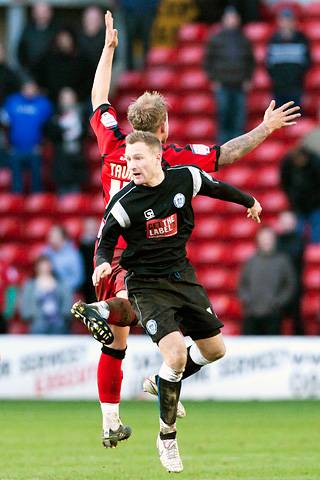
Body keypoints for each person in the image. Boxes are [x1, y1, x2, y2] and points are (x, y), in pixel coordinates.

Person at [71, 10, 301, 450]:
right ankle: (118, 323)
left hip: (107, 248)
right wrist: (265, 128)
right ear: (163, 128)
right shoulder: (169, 157)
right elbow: (224, 155)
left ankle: (109, 422)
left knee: (115, 346)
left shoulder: (112, 139)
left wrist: (109, 49)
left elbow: (98, 97)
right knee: (133, 304)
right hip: (136, 251)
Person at [91, 130, 262, 472]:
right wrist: (103, 264)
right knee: (176, 355)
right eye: (128, 157)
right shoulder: (124, 202)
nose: (130, 163)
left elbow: (217, 188)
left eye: (138, 157)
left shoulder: (185, 178)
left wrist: (249, 201)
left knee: (215, 350)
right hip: (146, 285)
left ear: (157, 157)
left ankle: (160, 382)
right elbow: (106, 239)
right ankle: (167, 438)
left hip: (182, 277)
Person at [203, 6, 255, 143]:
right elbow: (208, 61)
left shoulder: (244, 39)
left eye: (234, 18)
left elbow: (250, 61)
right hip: (223, 84)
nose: (232, 20)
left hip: (240, 84)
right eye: (229, 17)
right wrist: (213, 79)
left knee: (239, 116)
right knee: (223, 114)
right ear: (223, 20)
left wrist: (248, 79)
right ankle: (223, 145)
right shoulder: (216, 39)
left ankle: (239, 144)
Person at [238, 226, 296, 335]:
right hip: (251, 315)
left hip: (274, 316)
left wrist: (278, 302)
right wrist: (247, 300)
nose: (266, 241)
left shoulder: (282, 261)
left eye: (269, 238)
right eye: (263, 238)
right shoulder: (250, 261)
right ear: (258, 241)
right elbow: (242, 285)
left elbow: (290, 285)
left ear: (274, 240)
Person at [2, 79, 53, 193]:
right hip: (15, 149)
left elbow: (49, 127)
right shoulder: (12, 101)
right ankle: (15, 206)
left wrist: (42, 146)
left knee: (37, 183)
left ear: (36, 90)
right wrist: (8, 145)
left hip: (35, 149)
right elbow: (5, 125)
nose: (30, 91)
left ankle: (37, 206)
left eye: (32, 89)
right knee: (16, 185)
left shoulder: (43, 104)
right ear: (22, 89)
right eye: (27, 88)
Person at [45, 87, 87, 194]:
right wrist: (62, 129)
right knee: (63, 198)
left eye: (70, 98)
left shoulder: (82, 113)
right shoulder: (54, 116)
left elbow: (85, 133)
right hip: (61, 161)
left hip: (77, 161)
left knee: (76, 197)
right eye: (65, 98)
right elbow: (50, 135)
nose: (68, 101)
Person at [266, 7, 310, 107]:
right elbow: (269, 64)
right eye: (283, 20)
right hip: (278, 90)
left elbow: (307, 63)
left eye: (289, 20)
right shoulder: (273, 40)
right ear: (279, 22)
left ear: (294, 22)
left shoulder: (302, 39)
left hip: (296, 89)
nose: (286, 23)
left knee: (296, 120)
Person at [34, 28, 91, 103]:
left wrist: (77, 95)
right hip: (51, 100)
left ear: (72, 40)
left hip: (78, 100)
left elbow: (89, 81)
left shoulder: (82, 59)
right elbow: (38, 76)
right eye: (61, 39)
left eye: (67, 39)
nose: (64, 42)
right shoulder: (48, 58)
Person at [19, 255, 72, 334]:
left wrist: (65, 316)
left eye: (47, 266)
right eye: (42, 266)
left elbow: (67, 302)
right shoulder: (30, 285)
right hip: (38, 322)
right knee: (38, 328)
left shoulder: (61, 284)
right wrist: (31, 316)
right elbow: (25, 304)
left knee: (59, 327)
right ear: (36, 268)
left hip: (58, 321)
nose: (44, 269)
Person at [280, 146, 320, 243]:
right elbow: (285, 184)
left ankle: (315, 253)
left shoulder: (316, 163)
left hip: (316, 204)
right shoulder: (287, 164)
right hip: (298, 205)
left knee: (316, 232)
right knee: (298, 232)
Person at [276, 210, 305, 335]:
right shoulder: (276, 240)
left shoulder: (300, 241)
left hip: (295, 283)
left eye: (289, 221)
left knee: (295, 316)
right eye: (284, 221)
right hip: (278, 283)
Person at [17, 2, 58, 78]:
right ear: (34, 13)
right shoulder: (27, 31)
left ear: (50, 13)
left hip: (51, 75)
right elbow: (21, 53)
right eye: (39, 12)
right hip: (30, 73)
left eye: (44, 12)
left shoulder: (57, 31)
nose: (41, 15)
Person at [119, 0, 161, 70]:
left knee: (147, 41)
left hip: (148, 9)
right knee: (129, 42)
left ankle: (148, 69)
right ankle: (129, 70)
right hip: (129, 10)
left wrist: (154, 5)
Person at [43, 225, 84, 294]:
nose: (51, 239)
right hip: (47, 290)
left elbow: (78, 278)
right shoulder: (46, 251)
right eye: (50, 236)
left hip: (67, 292)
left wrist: (61, 288)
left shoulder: (73, 254)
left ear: (63, 238)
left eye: (54, 236)